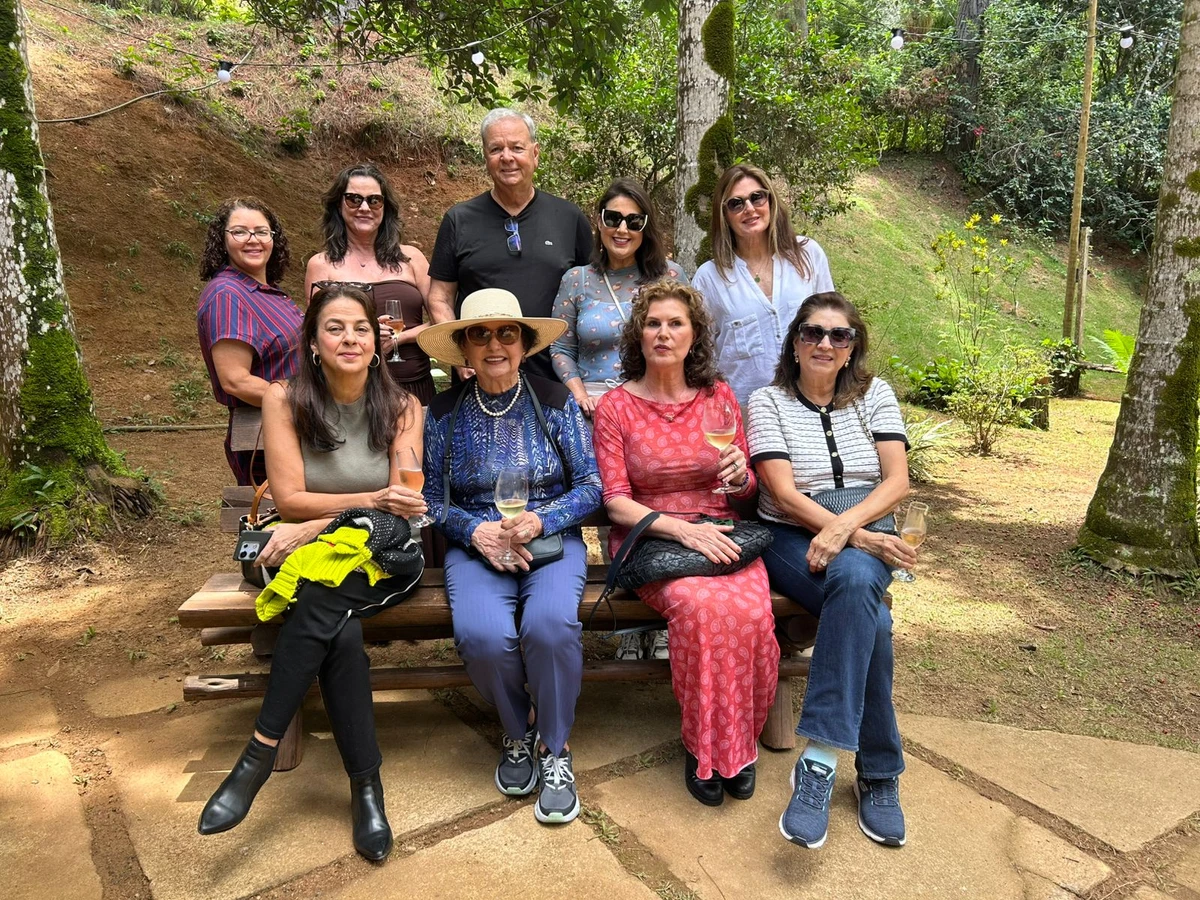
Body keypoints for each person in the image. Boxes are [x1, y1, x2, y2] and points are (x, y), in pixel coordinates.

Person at [197, 286, 428, 861]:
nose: (350, 338)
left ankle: (258, 754)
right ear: (313, 342)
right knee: (338, 628)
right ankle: (366, 788)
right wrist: (348, 508)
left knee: (325, 599)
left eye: (361, 329)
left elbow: (405, 499)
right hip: (298, 552)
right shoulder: (285, 399)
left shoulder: (404, 407)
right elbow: (289, 499)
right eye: (335, 328)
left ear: (379, 343)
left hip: (377, 557)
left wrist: (332, 519)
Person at [591, 280, 779, 807]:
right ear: (638, 334)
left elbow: (742, 493)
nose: (663, 333)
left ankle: (738, 747)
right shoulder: (616, 407)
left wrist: (741, 476)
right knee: (700, 609)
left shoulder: (718, 396)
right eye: (653, 323)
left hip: (723, 534)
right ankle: (706, 750)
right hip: (651, 538)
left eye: (676, 323)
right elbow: (615, 501)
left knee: (751, 614)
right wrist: (681, 529)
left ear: (694, 335)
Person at [418, 288, 602, 825]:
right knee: (481, 635)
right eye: (480, 333)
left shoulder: (555, 401)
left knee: (548, 627)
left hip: (548, 539)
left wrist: (544, 519)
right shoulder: (443, 413)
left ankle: (556, 746)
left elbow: (592, 484)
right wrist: (475, 532)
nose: (494, 344)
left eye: (506, 333)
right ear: (464, 348)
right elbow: (430, 498)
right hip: (476, 546)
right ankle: (517, 733)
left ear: (522, 344)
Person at [746, 292, 916, 850]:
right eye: (812, 333)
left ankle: (818, 760)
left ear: (851, 349)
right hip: (791, 533)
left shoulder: (875, 396)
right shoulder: (766, 401)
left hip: (862, 522)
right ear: (794, 343)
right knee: (872, 612)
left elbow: (897, 483)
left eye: (838, 336)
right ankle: (879, 770)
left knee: (856, 580)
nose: (824, 343)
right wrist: (853, 534)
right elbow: (782, 491)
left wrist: (850, 529)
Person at [550, 177, 686, 663]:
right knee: (615, 505)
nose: (622, 228)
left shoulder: (669, 275)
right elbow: (560, 345)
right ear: (600, 223)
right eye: (613, 218)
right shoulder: (577, 280)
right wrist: (579, 391)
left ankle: (662, 613)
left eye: (633, 219)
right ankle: (628, 619)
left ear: (646, 225)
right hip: (596, 410)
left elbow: (685, 339)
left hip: (658, 406)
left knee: (660, 501)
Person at [427, 108, 592, 382]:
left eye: (517, 147)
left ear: (535, 154)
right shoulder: (459, 219)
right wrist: (459, 355)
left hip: (555, 377)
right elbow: (439, 296)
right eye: (496, 149)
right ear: (485, 157)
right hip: (480, 374)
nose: (507, 158)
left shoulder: (569, 218)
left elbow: (591, 296)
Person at [693, 164, 836, 409]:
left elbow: (834, 324)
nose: (749, 208)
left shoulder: (807, 254)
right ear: (724, 214)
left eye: (757, 197)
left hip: (812, 405)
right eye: (736, 203)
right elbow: (699, 353)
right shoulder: (710, 277)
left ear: (770, 201)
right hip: (745, 414)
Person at [305, 163, 437, 405]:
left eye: (374, 200)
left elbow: (441, 319)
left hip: (413, 385)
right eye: (354, 199)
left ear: (385, 208)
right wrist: (366, 336)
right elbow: (315, 333)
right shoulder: (320, 264)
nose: (364, 207)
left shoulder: (412, 258)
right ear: (338, 205)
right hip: (347, 391)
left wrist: (400, 337)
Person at [197, 197, 303, 485]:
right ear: (222, 240)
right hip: (266, 437)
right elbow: (236, 381)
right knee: (278, 527)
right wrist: (309, 402)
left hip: (294, 430)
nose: (252, 240)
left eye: (261, 232)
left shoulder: (264, 291)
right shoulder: (228, 294)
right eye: (240, 232)